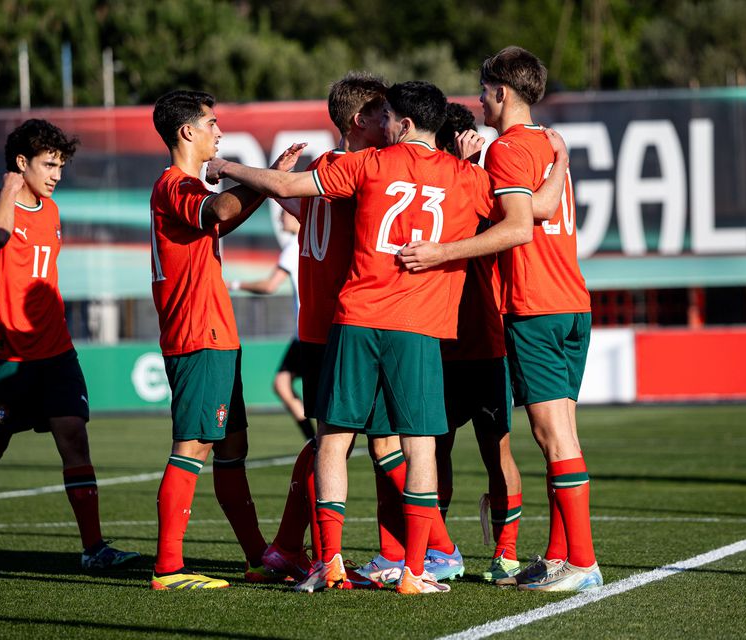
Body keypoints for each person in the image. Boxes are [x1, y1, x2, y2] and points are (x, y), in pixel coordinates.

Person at [207, 81, 502, 595]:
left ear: (403, 124)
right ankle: (414, 568)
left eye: (388, 114)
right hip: (417, 328)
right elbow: (520, 217)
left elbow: (289, 191)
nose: (383, 121)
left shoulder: (363, 166)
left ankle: (330, 559)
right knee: (420, 448)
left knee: (333, 440)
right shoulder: (462, 177)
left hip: (355, 318)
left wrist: (230, 168)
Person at [399, 46, 601, 592]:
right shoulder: (547, 146)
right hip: (571, 302)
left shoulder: (508, 151)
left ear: (502, 93)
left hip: (535, 305)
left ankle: (581, 563)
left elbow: (519, 225)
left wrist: (439, 252)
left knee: (551, 436)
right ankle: (561, 557)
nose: (480, 99)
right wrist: (559, 166)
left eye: (484, 89)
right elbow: (538, 209)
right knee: (560, 435)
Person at [260, 72, 460, 590]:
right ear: (360, 120)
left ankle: (294, 547)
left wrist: (273, 187)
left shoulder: (330, 170)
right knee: (378, 442)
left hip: (326, 324)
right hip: (347, 324)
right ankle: (428, 550)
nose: (388, 120)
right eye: (380, 112)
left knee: (347, 442)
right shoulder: (364, 171)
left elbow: (306, 209)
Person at [0, 119, 140, 573]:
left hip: (55, 352)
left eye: (61, 166)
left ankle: (94, 549)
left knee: (74, 439)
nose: (57, 175)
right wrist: (9, 190)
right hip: (6, 355)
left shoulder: (51, 211)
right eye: (49, 165)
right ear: (21, 163)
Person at [148, 89, 305, 590]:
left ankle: (259, 557)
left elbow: (226, 215)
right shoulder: (174, 184)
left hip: (216, 332)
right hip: (197, 334)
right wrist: (257, 176)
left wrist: (265, 183)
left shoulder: (187, 188)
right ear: (187, 132)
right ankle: (168, 568)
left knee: (232, 446)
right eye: (212, 123)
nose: (219, 131)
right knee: (192, 447)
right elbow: (218, 212)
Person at [433, 103, 568, 585]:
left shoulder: (488, 185)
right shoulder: (438, 186)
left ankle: (505, 552)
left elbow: (504, 223)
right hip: (442, 343)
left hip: (485, 341)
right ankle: (438, 547)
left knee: (498, 453)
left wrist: (470, 170)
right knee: (434, 451)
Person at [227, 211, 315, 441]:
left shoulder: (294, 247)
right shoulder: (314, 242)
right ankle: (314, 442)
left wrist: (233, 283)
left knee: (304, 390)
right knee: (283, 384)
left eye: (284, 214)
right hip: (311, 330)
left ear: (299, 215)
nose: (279, 219)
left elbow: (269, 285)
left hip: (306, 332)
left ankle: (318, 444)